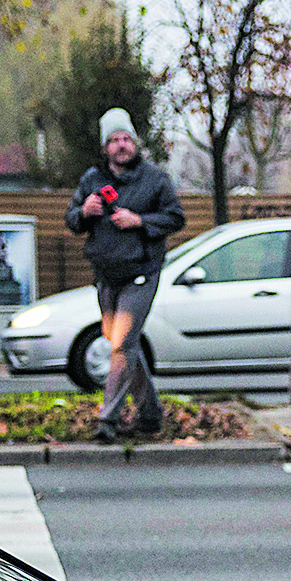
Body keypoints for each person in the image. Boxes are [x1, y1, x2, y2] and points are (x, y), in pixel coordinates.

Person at [65, 109, 186, 445]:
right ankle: (151, 413)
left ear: (135, 143)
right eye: (114, 140)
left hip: (141, 274)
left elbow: (176, 218)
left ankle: (108, 419)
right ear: (106, 147)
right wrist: (83, 213)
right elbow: (71, 220)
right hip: (106, 276)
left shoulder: (155, 179)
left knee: (121, 344)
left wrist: (140, 221)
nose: (121, 145)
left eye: (126, 139)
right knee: (123, 346)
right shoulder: (92, 180)